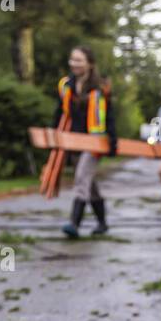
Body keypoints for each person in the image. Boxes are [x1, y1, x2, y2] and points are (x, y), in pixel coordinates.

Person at [52, 46, 116, 237]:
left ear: (89, 64)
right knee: (90, 182)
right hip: (73, 141)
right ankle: (102, 223)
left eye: (79, 60)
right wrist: (55, 134)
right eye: (72, 59)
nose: (74, 64)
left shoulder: (100, 87)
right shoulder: (66, 85)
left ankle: (74, 223)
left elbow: (109, 116)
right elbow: (60, 112)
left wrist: (112, 143)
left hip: (94, 142)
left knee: (81, 177)